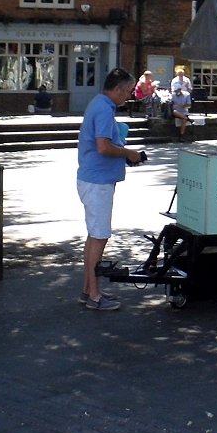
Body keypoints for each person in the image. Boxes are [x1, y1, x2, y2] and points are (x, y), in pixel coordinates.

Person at [76, 68, 142, 311]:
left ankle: (87, 290)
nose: (129, 96)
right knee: (100, 235)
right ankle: (94, 295)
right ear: (117, 89)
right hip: (98, 181)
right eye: (128, 91)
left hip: (92, 178)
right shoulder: (104, 108)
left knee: (94, 235)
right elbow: (103, 147)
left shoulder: (98, 103)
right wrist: (129, 153)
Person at [170, 73, 193, 142]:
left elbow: (189, 105)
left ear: (180, 89)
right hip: (175, 111)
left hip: (183, 111)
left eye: (178, 90)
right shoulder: (173, 95)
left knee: (184, 119)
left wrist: (184, 106)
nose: (176, 92)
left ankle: (181, 135)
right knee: (175, 111)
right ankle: (187, 118)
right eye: (175, 91)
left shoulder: (187, 94)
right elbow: (170, 105)